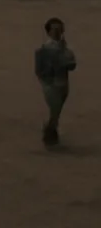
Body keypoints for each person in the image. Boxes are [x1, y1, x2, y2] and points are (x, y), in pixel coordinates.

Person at [35, 17, 76, 147]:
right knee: (55, 110)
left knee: (56, 112)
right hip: (51, 84)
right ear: (49, 32)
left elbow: (72, 66)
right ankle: (49, 135)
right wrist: (46, 82)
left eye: (59, 29)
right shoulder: (44, 49)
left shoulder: (66, 49)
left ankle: (51, 134)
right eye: (54, 29)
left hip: (63, 84)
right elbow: (39, 69)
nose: (57, 31)